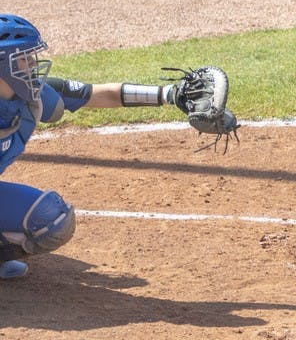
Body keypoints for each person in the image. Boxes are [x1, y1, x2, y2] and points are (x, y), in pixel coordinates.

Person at [0, 14, 225, 280]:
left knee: (53, 221)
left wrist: (170, 95)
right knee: (48, 217)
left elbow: (96, 93)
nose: (33, 66)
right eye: (23, 60)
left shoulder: (30, 95)